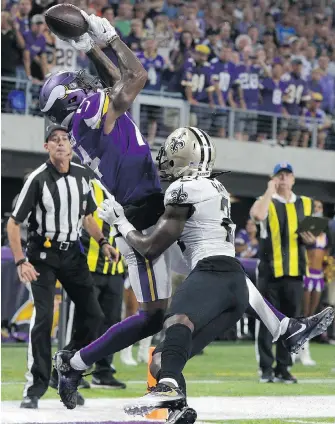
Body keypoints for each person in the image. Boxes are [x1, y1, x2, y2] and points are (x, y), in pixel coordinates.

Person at [53, 128, 333, 420]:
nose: (164, 160)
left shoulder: (183, 189)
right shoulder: (214, 187)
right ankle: (286, 328)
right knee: (163, 341)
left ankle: (89, 369)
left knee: (166, 334)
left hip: (179, 253)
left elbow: (150, 248)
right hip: (220, 273)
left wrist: (121, 222)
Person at [6, 125, 118, 409]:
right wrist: (21, 261)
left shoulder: (82, 175)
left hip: (72, 255)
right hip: (42, 255)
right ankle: (34, 387)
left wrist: (103, 241)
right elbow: (13, 223)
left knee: (94, 315)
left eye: (64, 139)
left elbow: (87, 217)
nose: (59, 144)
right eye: (53, 140)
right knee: (43, 319)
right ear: (47, 147)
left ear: (70, 146)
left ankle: (65, 367)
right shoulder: (38, 178)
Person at [250, 162, 322, 383]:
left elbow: (315, 236)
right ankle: (265, 368)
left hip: (295, 271)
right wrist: (269, 191)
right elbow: (257, 216)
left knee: (293, 322)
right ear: (273, 179)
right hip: (269, 272)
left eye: (287, 175)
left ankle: (283, 367)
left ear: (293, 178)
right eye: (279, 175)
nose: (283, 179)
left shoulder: (307, 204)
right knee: (267, 322)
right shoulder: (265, 202)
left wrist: (311, 240)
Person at [80, 179, 126, 389]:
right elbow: (83, 219)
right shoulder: (88, 185)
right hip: (89, 265)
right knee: (86, 321)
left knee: (112, 322)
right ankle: (73, 370)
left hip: (117, 269)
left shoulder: (126, 189)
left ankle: (103, 370)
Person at [298, 200, 330, 365]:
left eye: (320, 207)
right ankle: (300, 350)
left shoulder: (325, 235)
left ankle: (304, 349)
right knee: (303, 313)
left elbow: (325, 255)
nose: (318, 210)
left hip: (318, 276)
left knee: (312, 314)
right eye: (315, 207)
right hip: (307, 274)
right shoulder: (305, 232)